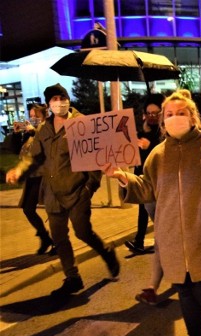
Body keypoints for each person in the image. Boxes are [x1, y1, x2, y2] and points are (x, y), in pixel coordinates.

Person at [106, 91, 201, 336]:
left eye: (181, 113)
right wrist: (123, 178)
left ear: (193, 118)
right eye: (169, 114)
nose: (174, 118)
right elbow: (147, 188)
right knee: (185, 293)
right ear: (163, 122)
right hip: (172, 238)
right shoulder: (157, 154)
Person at [6, 84, 120, 297]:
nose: (59, 102)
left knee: (82, 231)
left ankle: (107, 253)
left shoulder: (82, 124)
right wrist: (18, 170)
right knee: (59, 237)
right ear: (49, 104)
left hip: (78, 191)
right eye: (54, 99)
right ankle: (72, 277)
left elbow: (97, 159)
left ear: (67, 99)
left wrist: (89, 187)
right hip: (53, 193)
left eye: (62, 97)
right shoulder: (44, 129)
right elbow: (34, 156)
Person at [10, 103, 54, 255]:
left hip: (45, 176)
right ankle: (45, 237)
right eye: (31, 116)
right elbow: (17, 151)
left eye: (36, 116)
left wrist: (34, 131)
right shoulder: (29, 133)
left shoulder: (47, 129)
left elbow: (47, 147)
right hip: (32, 176)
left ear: (43, 116)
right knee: (28, 209)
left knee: (52, 210)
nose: (32, 118)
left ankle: (57, 242)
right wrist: (16, 134)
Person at [125, 93, 165, 254]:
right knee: (143, 208)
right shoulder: (141, 132)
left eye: (156, 113)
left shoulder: (164, 132)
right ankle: (139, 240)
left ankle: (158, 240)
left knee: (157, 211)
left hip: (159, 178)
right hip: (142, 176)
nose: (152, 116)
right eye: (149, 113)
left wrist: (151, 145)